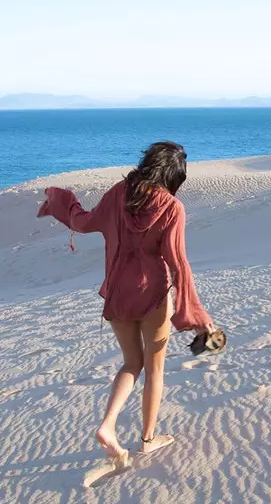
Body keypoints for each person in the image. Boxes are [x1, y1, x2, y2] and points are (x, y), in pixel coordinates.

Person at [37, 141, 214, 467]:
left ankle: (108, 424)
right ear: (173, 175)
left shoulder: (119, 192)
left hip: (118, 292)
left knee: (131, 363)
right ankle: (147, 440)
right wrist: (195, 311)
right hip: (153, 296)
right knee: (154, 369)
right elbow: (178, 263)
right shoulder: (172, 208)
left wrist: (62, 202)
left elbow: (84, 223)